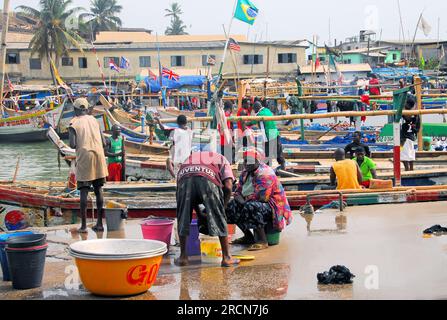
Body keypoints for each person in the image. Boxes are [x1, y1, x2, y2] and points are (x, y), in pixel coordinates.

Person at [175, 152, 239, 267]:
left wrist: (199, 213)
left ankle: (183, 257)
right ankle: (227, 258)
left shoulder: (189, 158)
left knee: (183, 216)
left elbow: (190, 195)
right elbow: (229, 187)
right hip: (208, 178)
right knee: (219, 216)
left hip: (184, 178)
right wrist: (222, 208)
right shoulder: (222, 159)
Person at [226, 150, 292, 251]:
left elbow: (263, 198)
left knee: (251, 207)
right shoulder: (245, 173)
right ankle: (248, 236)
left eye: (251, 161)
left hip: (273, 206)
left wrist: (243, 200)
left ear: (258, 161)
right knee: (231, 206)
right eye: (245, 161)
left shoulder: (265, 174)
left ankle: (262, 240)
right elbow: (238, 191)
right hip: (252, 201)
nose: (247, 163)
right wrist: (238, 198)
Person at [69, 98, 109, 233]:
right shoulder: (94, 121)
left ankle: (84, 226)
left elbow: (72, 144)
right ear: (86, 109)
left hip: (85, 157)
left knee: (84, 191)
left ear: (75, 110)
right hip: (99, 156)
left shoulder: (74, 123)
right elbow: (104, 142)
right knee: (99, 190)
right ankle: (99, 224)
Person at [252, 101, 286, 170]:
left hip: (268, 135)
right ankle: (282, 164)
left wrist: (245, 122)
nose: (254, 111)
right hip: (275, 133)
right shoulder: (267, 110)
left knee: (268, 153)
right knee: (278, 151)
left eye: (254, 109)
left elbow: (253, 121)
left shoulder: (259, 114)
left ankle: (267, 169)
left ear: (257, 108)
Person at [401, 96, 421, 171]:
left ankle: (408, 169)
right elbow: (417, 127)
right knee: (410, 154)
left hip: (405, 137)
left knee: (404, 155)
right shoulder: (416, 114)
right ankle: (410, 169)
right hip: (410, 136)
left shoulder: (407, 114)